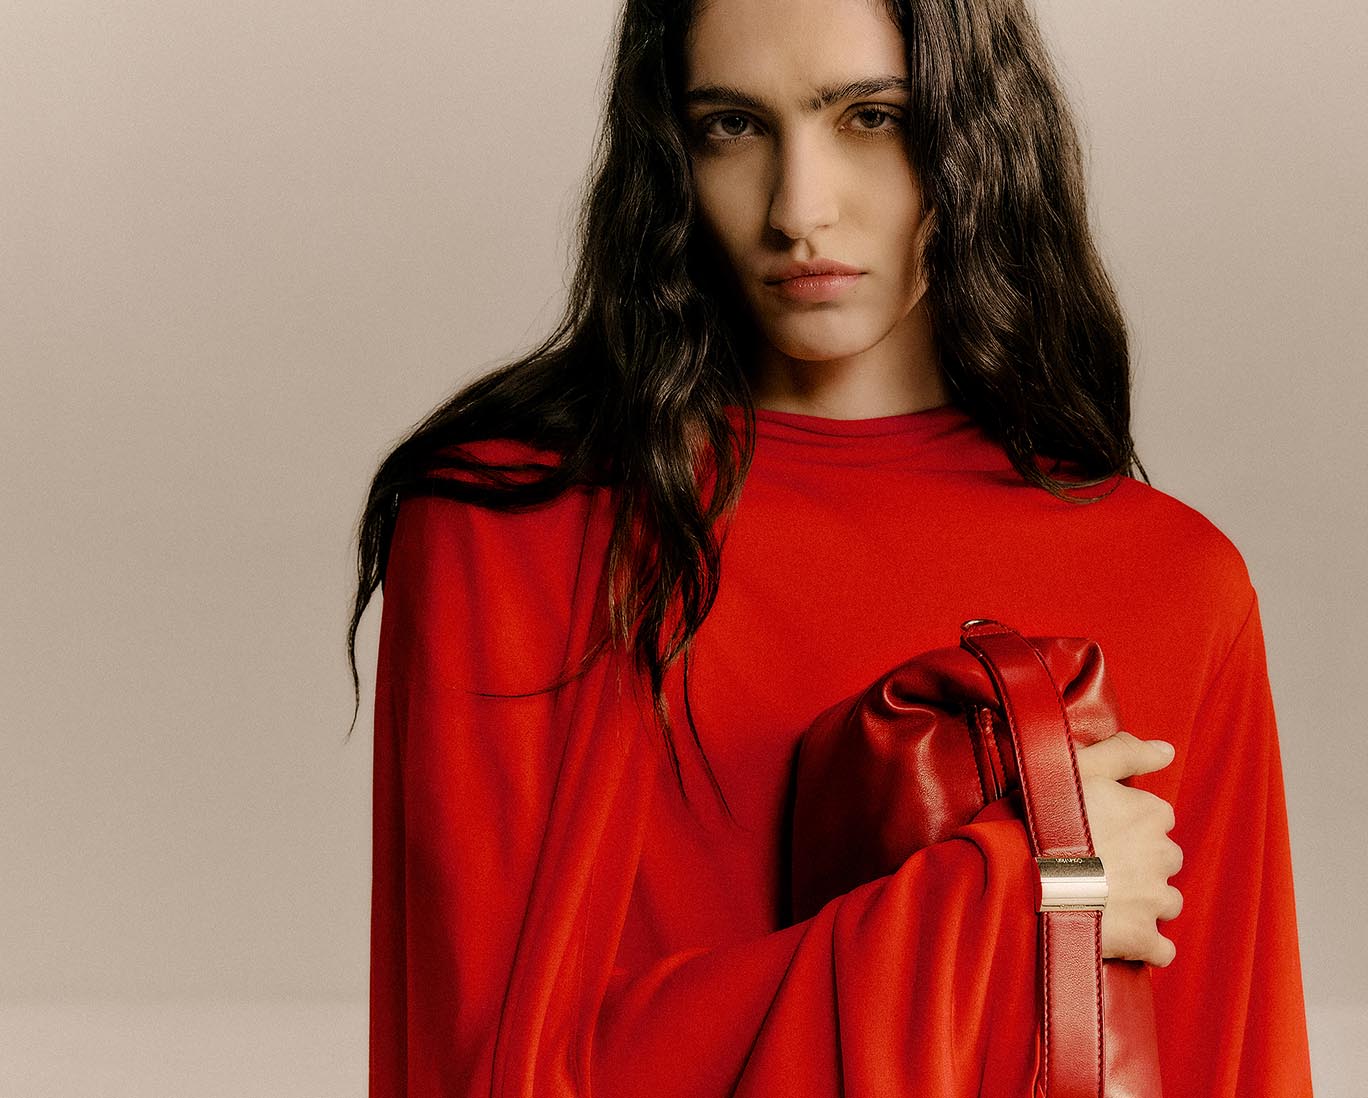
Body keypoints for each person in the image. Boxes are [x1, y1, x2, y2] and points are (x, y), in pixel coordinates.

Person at [346, 0, 1313, 1094]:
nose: (797, 209)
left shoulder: (1173, 582)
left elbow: (1230, 1060)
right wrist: (1006, 895)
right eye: (730, 126)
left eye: (869, 117)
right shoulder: (514, 529)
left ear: (977, 130)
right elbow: (487, 1071)